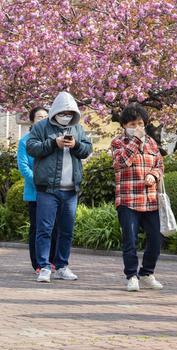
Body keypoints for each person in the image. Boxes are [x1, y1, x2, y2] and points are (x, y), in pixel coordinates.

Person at [27, 91, 93, 283]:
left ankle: (62, 266)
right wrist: (53, 143)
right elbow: (31, 148)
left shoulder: (78, 129)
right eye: (63, 112)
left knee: (66, 229)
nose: (66, 115)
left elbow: (87, 149)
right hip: (48, 188)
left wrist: (76, 144)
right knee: (44, 229)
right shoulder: (41, 127)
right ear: (55, 111)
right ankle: (44, 267)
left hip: (71, 189)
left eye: (70, 113)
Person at [111, 103, 164, 292]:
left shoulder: (152, 142)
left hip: (150, 200)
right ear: (124, 125)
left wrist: (154, 175)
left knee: (156, 238)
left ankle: (147, 273)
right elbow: (121, 162)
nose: (138, 127)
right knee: (130, 240)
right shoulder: (118, 142)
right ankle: (131, 275)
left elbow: (160, 165)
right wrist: (135, 140)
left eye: (140, 123)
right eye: (133, 123)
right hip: (128, 199)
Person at [17, 107, 59, 273]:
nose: (43, 119)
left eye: (45, 117)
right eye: (39, 117)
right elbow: (23, 167)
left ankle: (52, 260)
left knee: (54, 227)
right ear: (32, 120)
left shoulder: (53, 138)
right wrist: (40, 181)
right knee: (37, 228)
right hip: (35, 192)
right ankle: (38, 263)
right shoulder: (25, 141)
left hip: (53, 191)